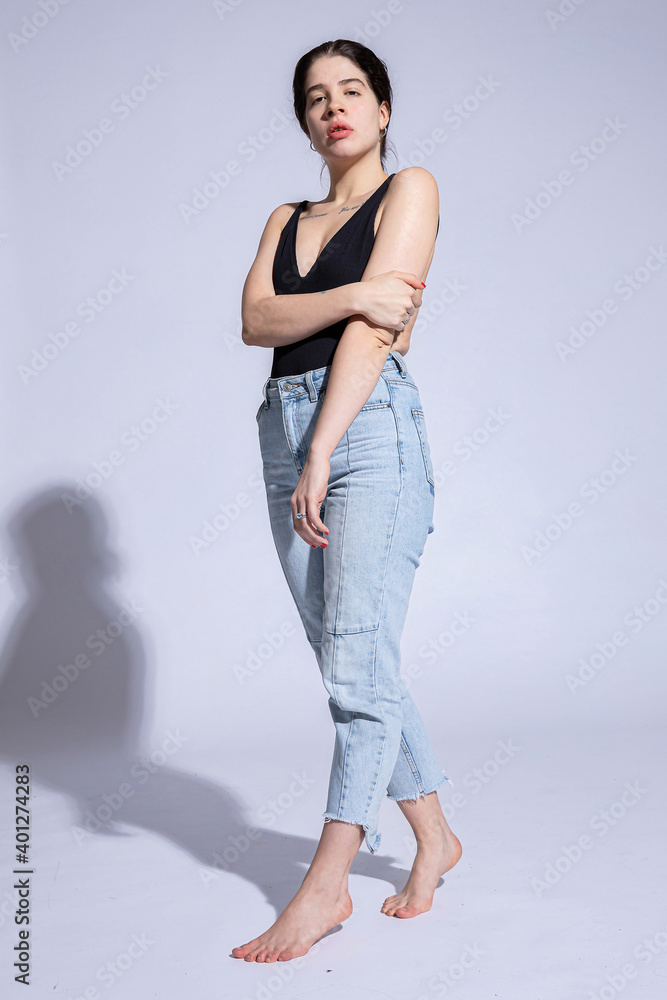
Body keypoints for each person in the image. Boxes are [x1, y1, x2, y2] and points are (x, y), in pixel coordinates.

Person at [234, 39, 462, 964]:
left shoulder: (411, 190)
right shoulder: (284, 217)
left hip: (364, 431)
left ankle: (325, 885)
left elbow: (378, 333)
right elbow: (256, 321)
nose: (334, 107)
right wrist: (356, 291)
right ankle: (436, 837)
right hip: (280, 428)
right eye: (316, 97)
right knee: (347, 658)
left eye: (352, 91)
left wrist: (323, 448)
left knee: (355, 664)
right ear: (304, 120)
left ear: (382, 108)